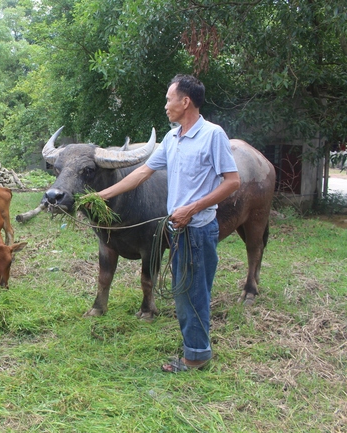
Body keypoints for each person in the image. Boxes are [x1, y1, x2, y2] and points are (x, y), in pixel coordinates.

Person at [95, 75, 241, 372]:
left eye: (168, 99)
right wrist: (102, 195)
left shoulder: (213, 135)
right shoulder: (172, 138)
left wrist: (194, 207)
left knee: (193, 292)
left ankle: (196, 357)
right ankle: (195, 348)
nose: (165, 105)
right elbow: (142, 173)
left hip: (198, 228)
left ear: (185, 101)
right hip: (177, 230)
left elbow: (233, 181)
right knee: (183, 290)